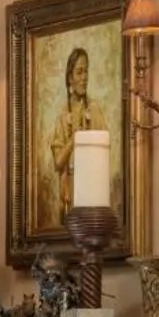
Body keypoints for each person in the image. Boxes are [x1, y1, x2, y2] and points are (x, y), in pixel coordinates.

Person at [39, 46, 101, 230]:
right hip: (69, 197)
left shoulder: (95, 110)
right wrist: (74, 139)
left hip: (91, 196)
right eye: (79, 72)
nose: (84, 77)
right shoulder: (62, 115)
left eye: (86, 71)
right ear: (70, 79)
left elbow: (103, 155)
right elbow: (58, 162)